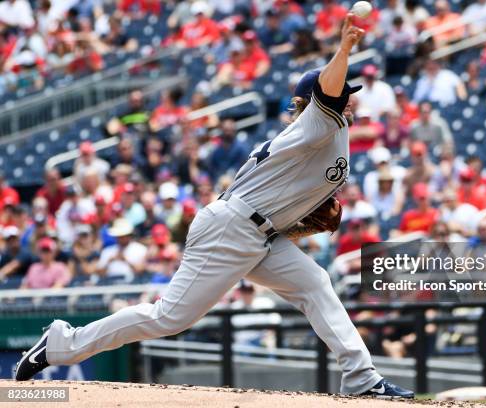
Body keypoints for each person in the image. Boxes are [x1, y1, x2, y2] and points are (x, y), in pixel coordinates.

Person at [15, 14, 413, 398]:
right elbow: (327, 90)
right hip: (233, 228)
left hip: (259, 232)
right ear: (312, 102)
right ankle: (60, 345)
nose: (349, 100)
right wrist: (343, 48)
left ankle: (362, 377)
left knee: (315, 283)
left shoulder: (319, 130)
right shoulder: (319, 123)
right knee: (169, 318)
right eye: (343, 94)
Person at [96, 218, 147, 283]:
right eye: (119, 236)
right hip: (110, 284)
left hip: (132, 284)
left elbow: (140, 270)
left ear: (129, 235)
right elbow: (99, 273)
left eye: (123, 236)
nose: (121, 238)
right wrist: (109, 262)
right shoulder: (107, 251)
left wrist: (125, 260)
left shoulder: (140, 249)